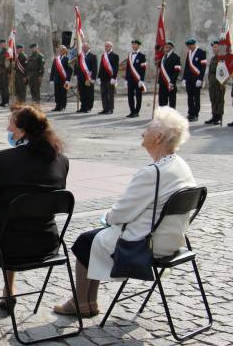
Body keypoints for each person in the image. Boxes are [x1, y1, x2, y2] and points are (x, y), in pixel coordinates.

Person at [54, 107, 195, 317]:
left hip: (145, 242)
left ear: (158, 137)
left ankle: (81, 302)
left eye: (147, 128)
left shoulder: (152, 173)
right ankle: (88, 302)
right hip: (172, 238)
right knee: (92, 240)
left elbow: (121, 213)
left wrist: (108, 218)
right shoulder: (181, 165)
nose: (142, 132)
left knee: (85, 241)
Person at [0, 106, 69, 321]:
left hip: (8, 245)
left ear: (21, 131)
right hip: (46, 242)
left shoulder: (2, 160)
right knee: (10, 225)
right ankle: (9, 294)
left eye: (10, 123)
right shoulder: (61, 160)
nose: (7, 128)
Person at [182, 38, 207, 122]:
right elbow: (186, 67)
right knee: (189, 97)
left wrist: (200, 79)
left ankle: (196, 114)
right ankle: (190, 113)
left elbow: (203, 67)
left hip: (196, 79)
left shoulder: (201, 52)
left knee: (196, 97)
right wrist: (184, 78)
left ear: (194, 44)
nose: (189, 47)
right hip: (189, 79)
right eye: (188, 46)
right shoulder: (189, 53)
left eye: (190, 46)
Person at [125, 39, 147, 118]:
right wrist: (126, 79)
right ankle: (132, 111)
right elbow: (128, 68)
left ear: (138, 45)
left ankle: (137, 112)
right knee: (130, 96)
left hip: (138, 80)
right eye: (133, 44)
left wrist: (142, 80)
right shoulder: (130, 55)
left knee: (138, 96)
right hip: (130, 79)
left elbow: (143, 69)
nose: (134, 46)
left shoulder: (142, 55)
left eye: (135, 44)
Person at [158, 41, 182, 109]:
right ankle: (163, 115)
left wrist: (172, 82)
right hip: (162, 82)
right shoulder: (163, 56)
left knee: (172, 101)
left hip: (170, 82)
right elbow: (161, 68)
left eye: (168, 46)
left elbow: (176, 71)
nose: (166, 48)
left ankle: (171, 116)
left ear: (171, 48)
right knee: (162, 100)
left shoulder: (176, 57)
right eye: (165, 46)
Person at [206, 40, 225, 125]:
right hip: (212, 83)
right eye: (213, 47)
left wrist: (222, 82)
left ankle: (219, 117)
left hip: (219, 83)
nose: (214, 49)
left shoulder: (222, 58)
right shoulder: (213, 58)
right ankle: (214, 116)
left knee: (219, 100)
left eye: (216, 47)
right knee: (213, 99)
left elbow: (224, 72)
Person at [76, 42, 98, 113]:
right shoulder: (80, 56)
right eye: (83, 47)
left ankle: (89, 107)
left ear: (89, 48)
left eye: (85, 47)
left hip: (89, 78)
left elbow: (95, 68)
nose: (83, 48)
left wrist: (93, 78)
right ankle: (83, 107)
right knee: (82, 93)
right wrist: (76, 74)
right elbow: (77, 66)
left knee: (89, 93)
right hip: (81, 78)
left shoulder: (93, 56)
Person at [98, 41, 119, 114]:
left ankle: (110, 109)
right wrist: (98, 76)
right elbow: (101, 67)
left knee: (110, 94)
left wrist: (114, 77)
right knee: (103, 94)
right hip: (103, 78)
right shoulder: (103, 55)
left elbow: (116, 67)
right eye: (105, 46)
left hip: (110, 78)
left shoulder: (115, 55)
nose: (106, 47)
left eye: (108, 46)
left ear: (111, 47)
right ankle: (105, 108)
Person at [49, 45, 72, 112]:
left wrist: (67, 80)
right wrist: (51, 79)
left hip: (64, 80)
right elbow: (53, 69)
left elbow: (69, 71)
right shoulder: (56, 59)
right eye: (60, 50)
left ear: (65, 51)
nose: (61, 51)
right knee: (57, 93)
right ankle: (57, 105)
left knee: (63, 93)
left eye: (62, 50)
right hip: (56, 79)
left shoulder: (67, 59)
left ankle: (62, 106)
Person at [0, 39, 10, 107]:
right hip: (1, 71)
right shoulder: (1, 52)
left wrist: (8, 72)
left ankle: (7, 102)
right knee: (1, 86)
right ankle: (3, 101)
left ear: (5, 43)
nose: (1, 44)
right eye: (0, 43)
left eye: (3, 43)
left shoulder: (8, 51)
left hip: (5, 72)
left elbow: (9, 63)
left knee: (5, 87)